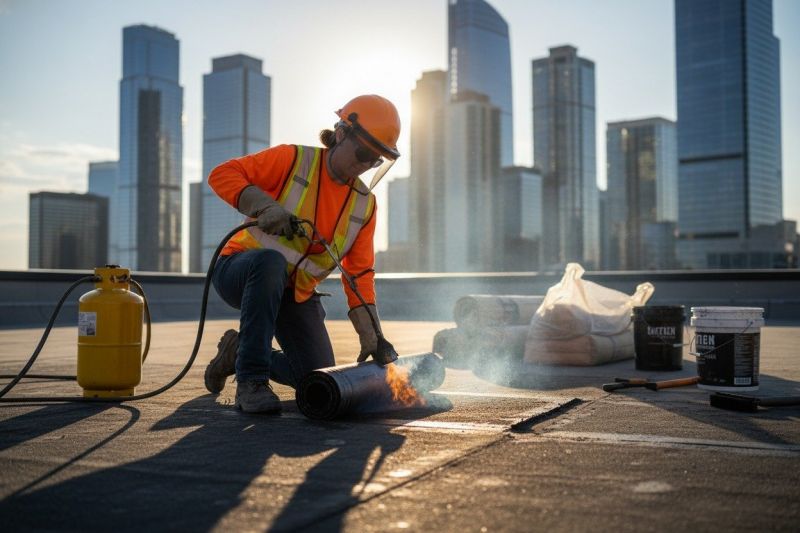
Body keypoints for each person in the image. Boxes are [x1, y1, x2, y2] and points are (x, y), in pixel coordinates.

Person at [203, 94, 401, 413]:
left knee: (318, 377)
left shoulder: (364, 205)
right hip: (240, 271)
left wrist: (371, 334)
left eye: (375, 160)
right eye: (364, 153)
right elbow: (222, 174)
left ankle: (238, 351)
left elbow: (359, 273)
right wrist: (265, 206)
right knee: (270, 262)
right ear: (341, 133)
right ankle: (251, 381)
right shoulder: (294, 160)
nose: (366, 164)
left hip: (294, 295)